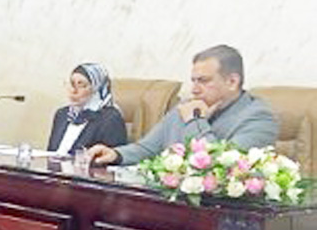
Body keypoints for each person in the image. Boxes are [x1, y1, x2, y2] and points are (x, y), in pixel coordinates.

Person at [89, 45, 279, 166]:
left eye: (203, 81)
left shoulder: (258, 118)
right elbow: (148, 149)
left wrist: (195, 121)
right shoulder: (189, 106)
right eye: (193, 81)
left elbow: (220, 166)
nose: (194, 89)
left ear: (232, 82)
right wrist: (116, 154)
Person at [46, 63, 127, 154]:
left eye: (81, 85)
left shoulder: (110, 118)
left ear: (96, 89)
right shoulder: (62, 114)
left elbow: (113, 158)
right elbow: (50, 152)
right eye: (71, 84)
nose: (73, 91)